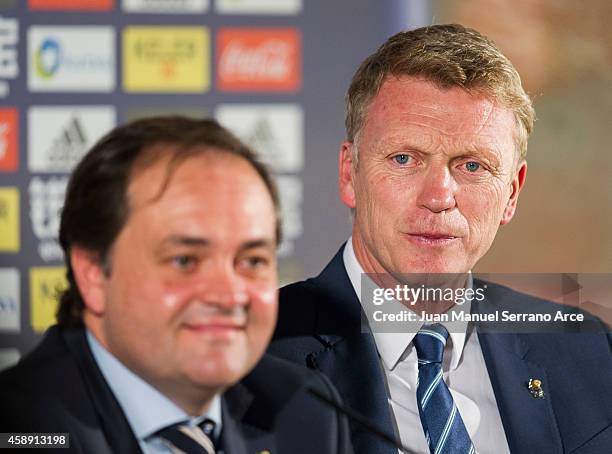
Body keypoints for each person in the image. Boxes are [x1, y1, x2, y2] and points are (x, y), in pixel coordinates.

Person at [270, 24, 612, 454]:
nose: (437, 198)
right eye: (404, 158)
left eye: (472, 166)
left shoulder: (588, 352)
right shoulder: (251, 355)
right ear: (349, 173)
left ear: (511, 193)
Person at [0, 117, 352, 454]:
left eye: (252, 261)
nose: (229, 295)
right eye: (185, 261)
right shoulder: (21, 427)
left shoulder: (303, 409)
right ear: (93, 272)